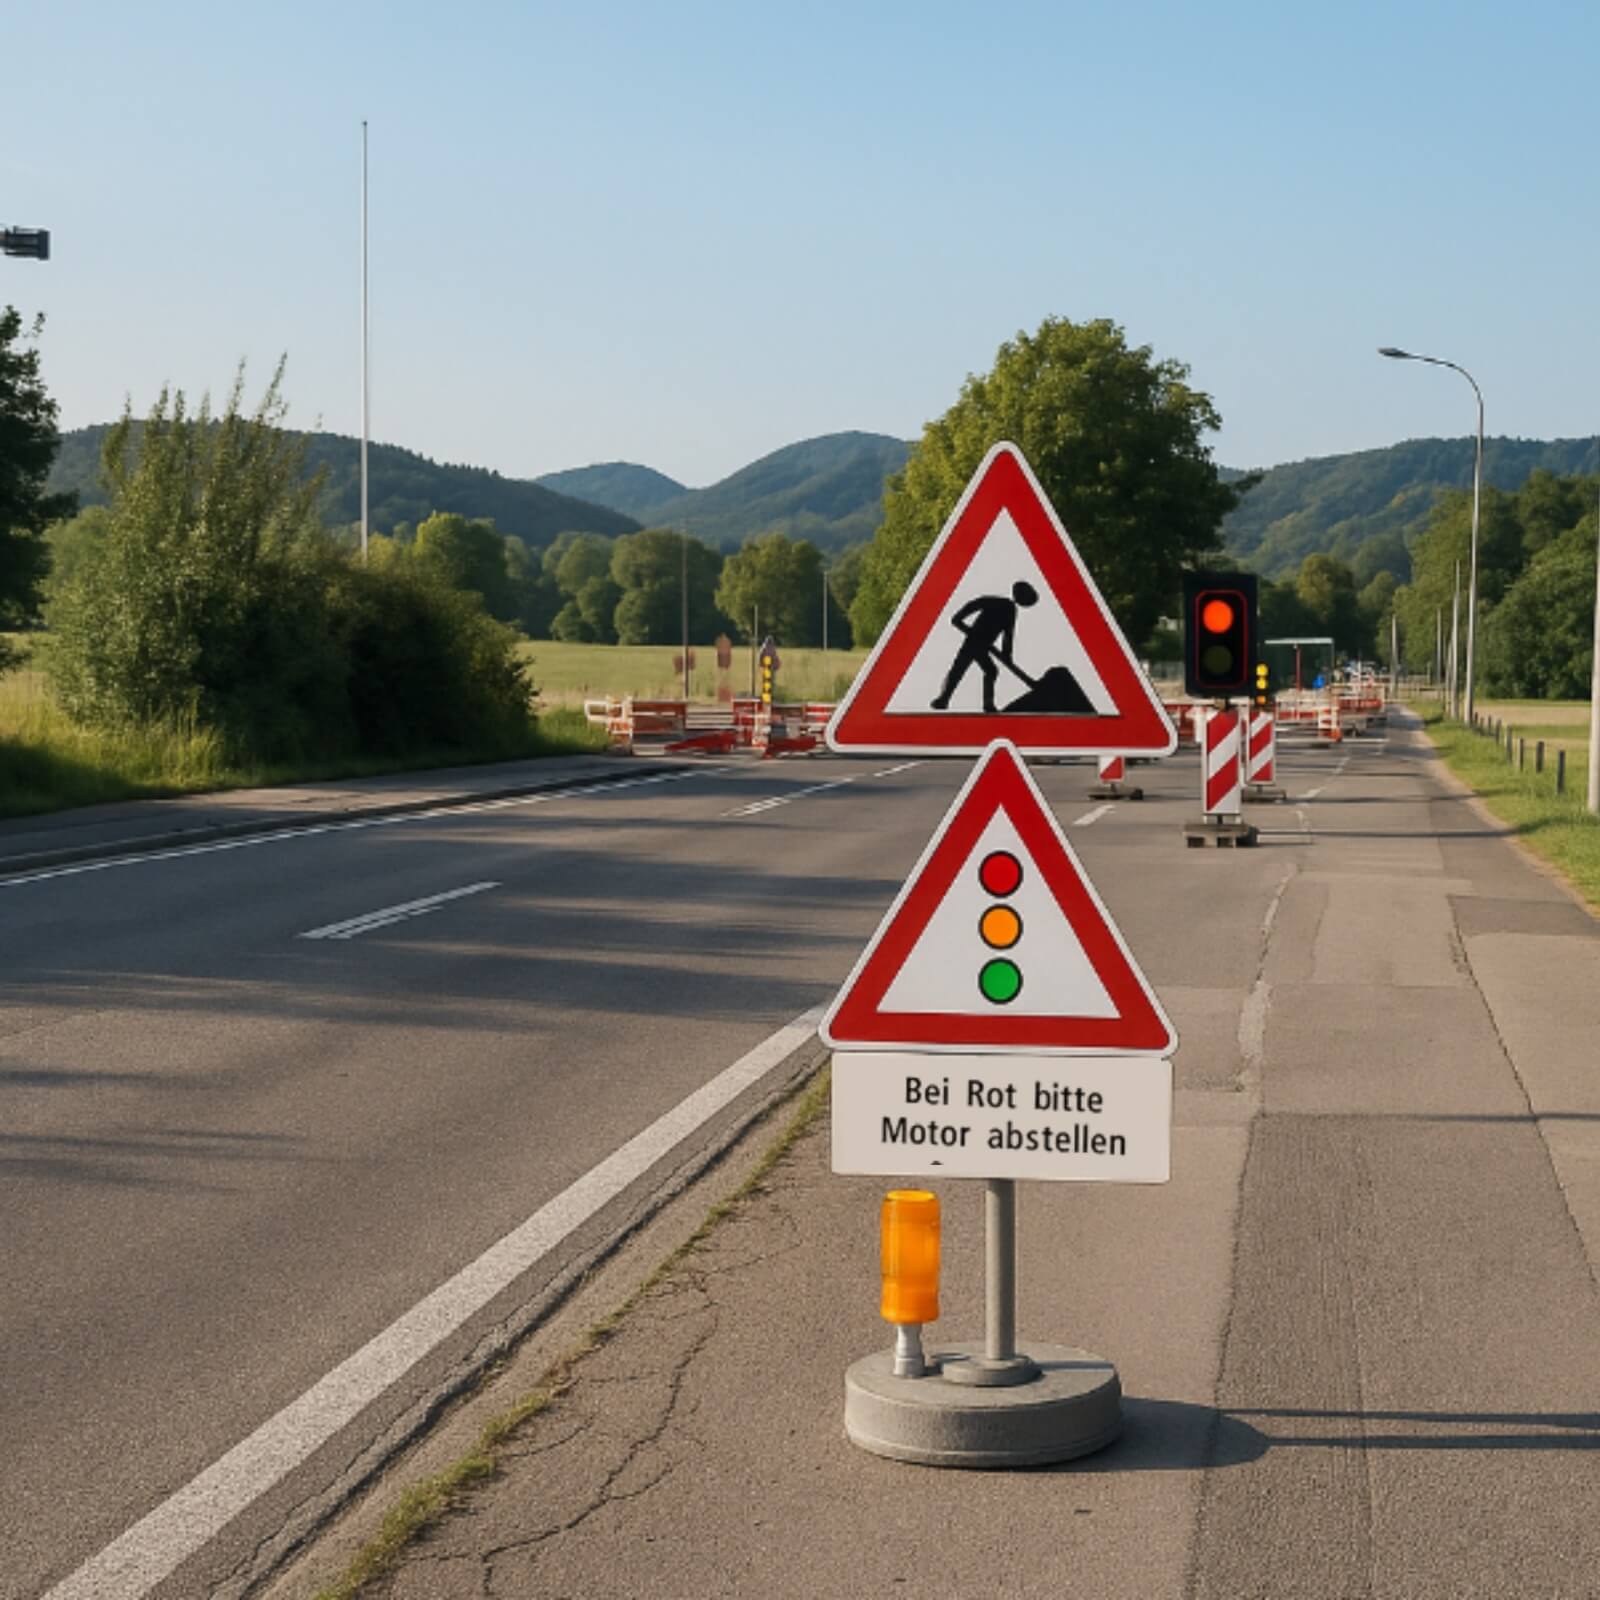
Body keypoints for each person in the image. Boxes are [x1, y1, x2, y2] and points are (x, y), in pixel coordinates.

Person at [930, 581, 1039, 713]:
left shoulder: (1007, 607)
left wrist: (1007, 655)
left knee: (979, 669)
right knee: (962, 668)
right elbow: (978, 604)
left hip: (982, 644)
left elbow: (1007, 634)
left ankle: (983, 704)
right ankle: (945, 699)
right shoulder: (1005, 606)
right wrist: (959, 619)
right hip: (974, 641)